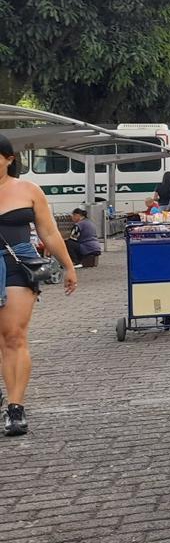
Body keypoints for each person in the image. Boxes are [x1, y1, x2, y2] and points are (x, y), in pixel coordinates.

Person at [0, 133, 77, 437]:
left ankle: (15, 407)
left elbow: (49, 232)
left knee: (14, 336)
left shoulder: (28, 190)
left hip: (18, 264)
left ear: (9, 159)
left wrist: (69, 266)